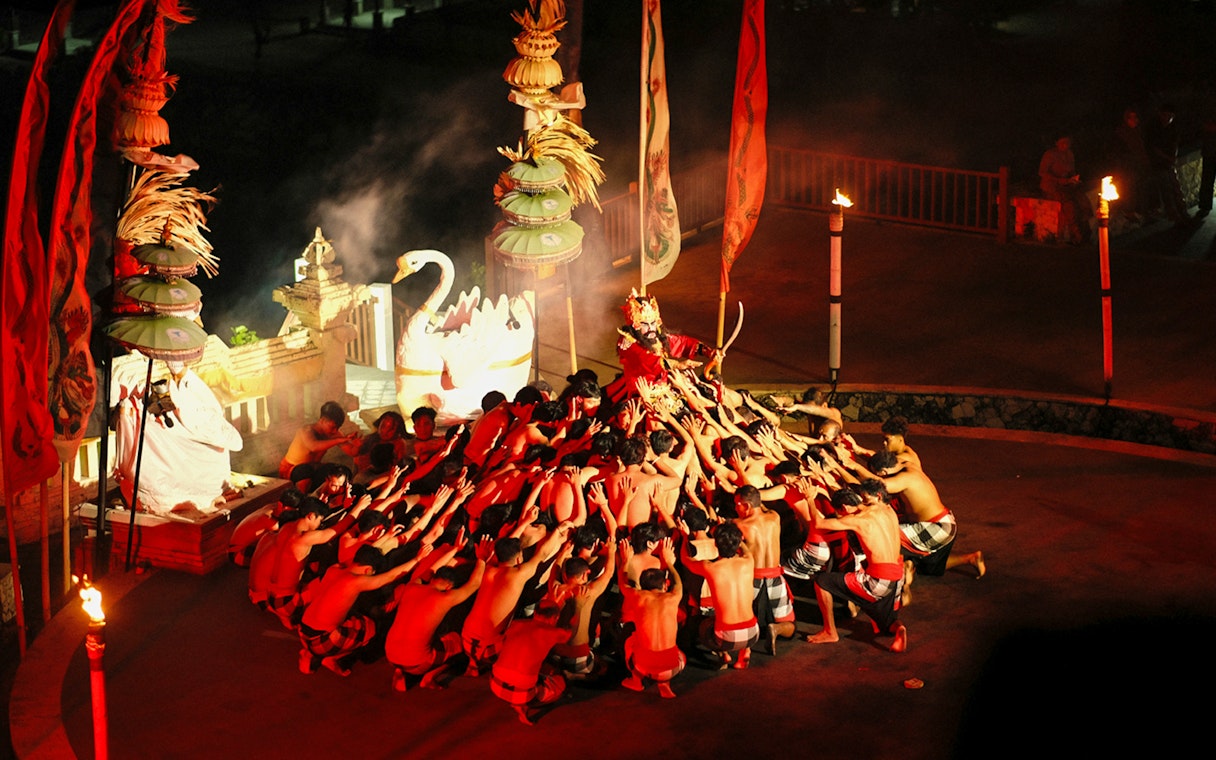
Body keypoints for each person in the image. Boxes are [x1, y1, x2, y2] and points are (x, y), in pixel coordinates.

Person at [797, 480, 908, 653]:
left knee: (821, 581)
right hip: (897, 578)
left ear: (843, 508)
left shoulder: (857, 520)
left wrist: (810, 499)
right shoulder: (886, 509)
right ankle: (899, 629)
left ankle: (829, 631)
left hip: (878, 581)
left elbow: (818, 524)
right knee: (887, 622)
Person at [297, 544, 429, 676]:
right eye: (373, 573)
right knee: (370, 629)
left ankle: (313, 652)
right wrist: (417, 559)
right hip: (324, 639)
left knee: (353, 614)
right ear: (368, 570)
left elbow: (359, 557)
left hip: (304, 630)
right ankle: (333, 658)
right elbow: (390, 576)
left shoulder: (335, 569)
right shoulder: (355, 581)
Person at [385, 536, 494, 690]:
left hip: (390, 655)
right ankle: (429, 677)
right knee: (458, 642)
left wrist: (455, 549)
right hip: (418, 663)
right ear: (449, 586)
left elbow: (431, 569)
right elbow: (474, 584)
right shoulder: (445, 597)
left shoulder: (412, 586)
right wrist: (482, 559)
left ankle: (400, 670)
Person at [490, 593, 586, 725]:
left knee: (533, 666)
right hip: (521, 693)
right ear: (556, 618)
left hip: (496, 684)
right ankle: (525, 704)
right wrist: (579, 606)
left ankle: (520, 704)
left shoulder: (515, 624)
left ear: (535, 613)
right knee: (561, 682)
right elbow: (572, 631)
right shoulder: (552, 633)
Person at [680, 521, 758, 669]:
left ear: (715, 544)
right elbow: (745, 549)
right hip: (752, 633)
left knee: (703, 624)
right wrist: (733, 536)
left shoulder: (710, 567)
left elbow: (685, 560)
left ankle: (724, 654)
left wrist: (685, 537)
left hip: (727, 637)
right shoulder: (748, 561)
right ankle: (744, 654)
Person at [733, 486, 796, 655]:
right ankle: (776, 628)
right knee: (790, 625)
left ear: (745, 506)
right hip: (775, 576)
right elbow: (760, 504)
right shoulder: (774, 517)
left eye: (737, 504)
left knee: (742, 616)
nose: (735, 508)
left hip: (752, 578)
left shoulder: (739, 524)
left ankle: (744, 649)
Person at [619, 536, 685, 698]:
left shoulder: (637, 596)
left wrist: (625, 560)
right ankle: (665, 684)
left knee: (630, 639)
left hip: (643, 666)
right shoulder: (674, 597)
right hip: (674, 668)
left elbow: (623, 582)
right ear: (664, 585)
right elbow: (678, 583)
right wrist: (669, 562)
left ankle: (636, 682)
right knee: (676, 651)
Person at [279, 401, 359, 489]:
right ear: (323, 420)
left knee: (339, 471)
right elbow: (314, 447)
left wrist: (357, 443)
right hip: (291, 469)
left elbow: (352, 452)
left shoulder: (334, 434)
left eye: (338, 428)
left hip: (314, 467)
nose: (335, 431)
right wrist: (340, 439)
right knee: (304, 470)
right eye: (332, 427)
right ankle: (302, 499)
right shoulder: (306, 431)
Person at [1038, 134, 1092, 245]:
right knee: (1069, 205)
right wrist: (1058, 180)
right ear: (1057, 143)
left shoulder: (1069, 154)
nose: (1065, 145)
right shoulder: (1050, 154)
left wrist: (1073, 179)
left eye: (1067, 143)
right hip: (1052, 187)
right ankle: (1076, 235)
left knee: (1083, 200)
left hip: (1066, 185)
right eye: (1063, 142)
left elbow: (1071, 171)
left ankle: (1087, 231)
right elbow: (1042, 172)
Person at [1144, 103, 1189, 224]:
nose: (1168, 118)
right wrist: (1168, 158)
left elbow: (1175, 142)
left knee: (1176, 187)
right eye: (1166, 115)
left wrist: (1173, 156)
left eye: (1171, 116)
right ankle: (1174, 216)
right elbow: (1153, 148)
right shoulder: (1154, 128)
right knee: (1166, 190)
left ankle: (1183, 211)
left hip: (1169, 162)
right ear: (1161, 114)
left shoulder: (1173, 127)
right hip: (1158, 163)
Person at [1111, 107, 1151, 222]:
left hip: (1138, 166)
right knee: (1130, 190)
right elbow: (1119, 152)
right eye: (1131, 118)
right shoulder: (1122, 133)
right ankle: (1130, 212)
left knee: (1141, 188)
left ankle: (1143, 211)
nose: (1135, 120)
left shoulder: (1137, 132)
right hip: (1128, 168)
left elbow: (1141, 148)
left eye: (1135, 118)